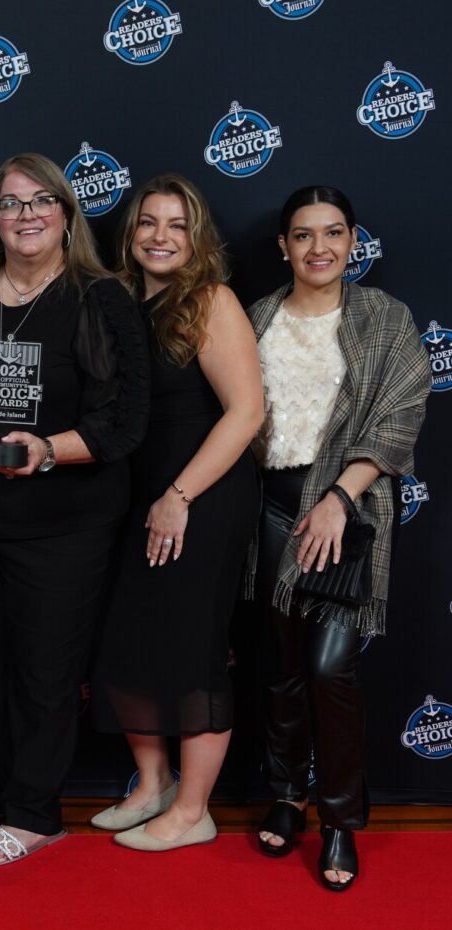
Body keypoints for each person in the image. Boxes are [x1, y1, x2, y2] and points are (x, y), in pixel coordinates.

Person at [0, 153, 149, 866]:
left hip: (69, 521)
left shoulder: (101, 298)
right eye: (10, 202)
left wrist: (50, 449)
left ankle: (35, 810)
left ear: (66, 214)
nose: (26, 214)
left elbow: (125, 421)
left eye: (42, 201)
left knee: (44, 670)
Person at [249, 186, 429, 890]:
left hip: (348, 515)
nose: (318, 248)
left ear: (354, 241)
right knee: (285, 668)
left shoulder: (385, 318)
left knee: (331, 670)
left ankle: (340, 822)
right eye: (303, 235)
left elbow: (400, 412)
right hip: (269, 509)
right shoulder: (259, 317)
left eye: (333, 234)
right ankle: (286, 796)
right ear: (285, 246)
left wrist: (337, 498)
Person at [89, 173, 263, 852]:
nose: (161, 237)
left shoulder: (211, 301)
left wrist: (179, 497)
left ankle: (194, 812)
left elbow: (247, 412)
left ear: (197, 239)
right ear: (130, 233)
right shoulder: (117, 300)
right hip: (137, 496)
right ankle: (153, 783)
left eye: (177, 225)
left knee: (190, 648)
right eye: (148, 223)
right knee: (127, 640)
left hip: (202, 496)